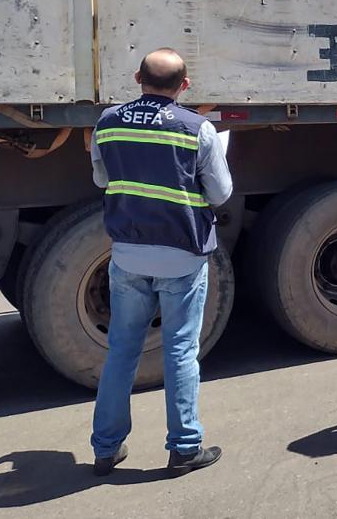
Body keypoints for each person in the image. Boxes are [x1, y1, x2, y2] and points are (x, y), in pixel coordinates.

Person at [88, 48, 231, 476]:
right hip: (181, 257)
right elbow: (220, 193)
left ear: (138, 77)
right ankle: (184, 448)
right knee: (181, 350)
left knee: (121, 350)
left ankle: (105, 449)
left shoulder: (107, 122)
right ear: (184, 85)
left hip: (128, 255)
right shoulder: (198, 129)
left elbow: (102, 178)